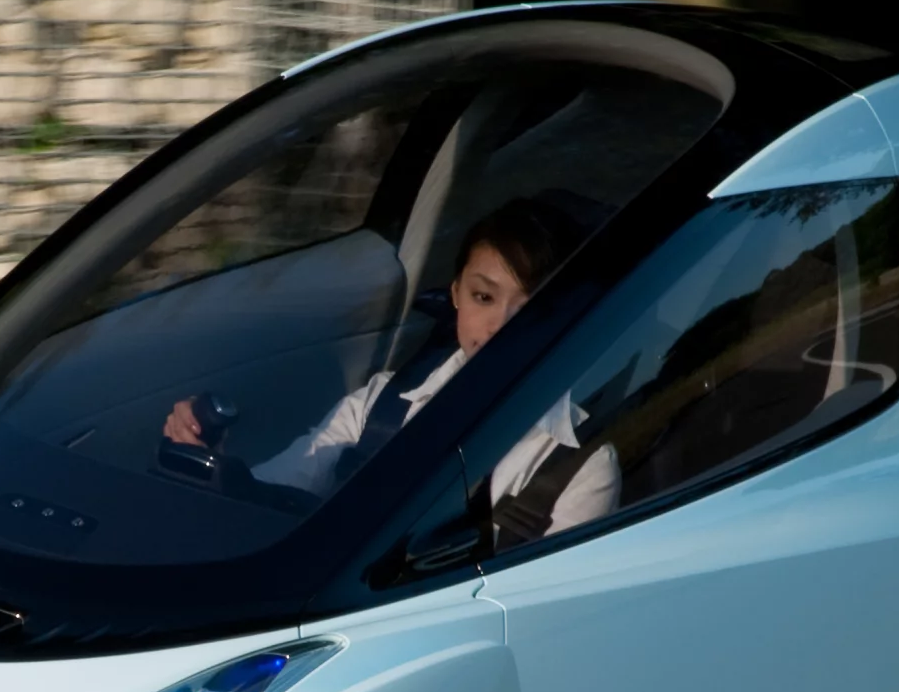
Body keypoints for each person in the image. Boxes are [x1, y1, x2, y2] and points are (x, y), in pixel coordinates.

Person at [160, 201, 613, 532]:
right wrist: (211, 463)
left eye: (531, 307)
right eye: (483, 297)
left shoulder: (580, 465)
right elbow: (276, 487)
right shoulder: (382, 403)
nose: (501, 325)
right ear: (455, 294)